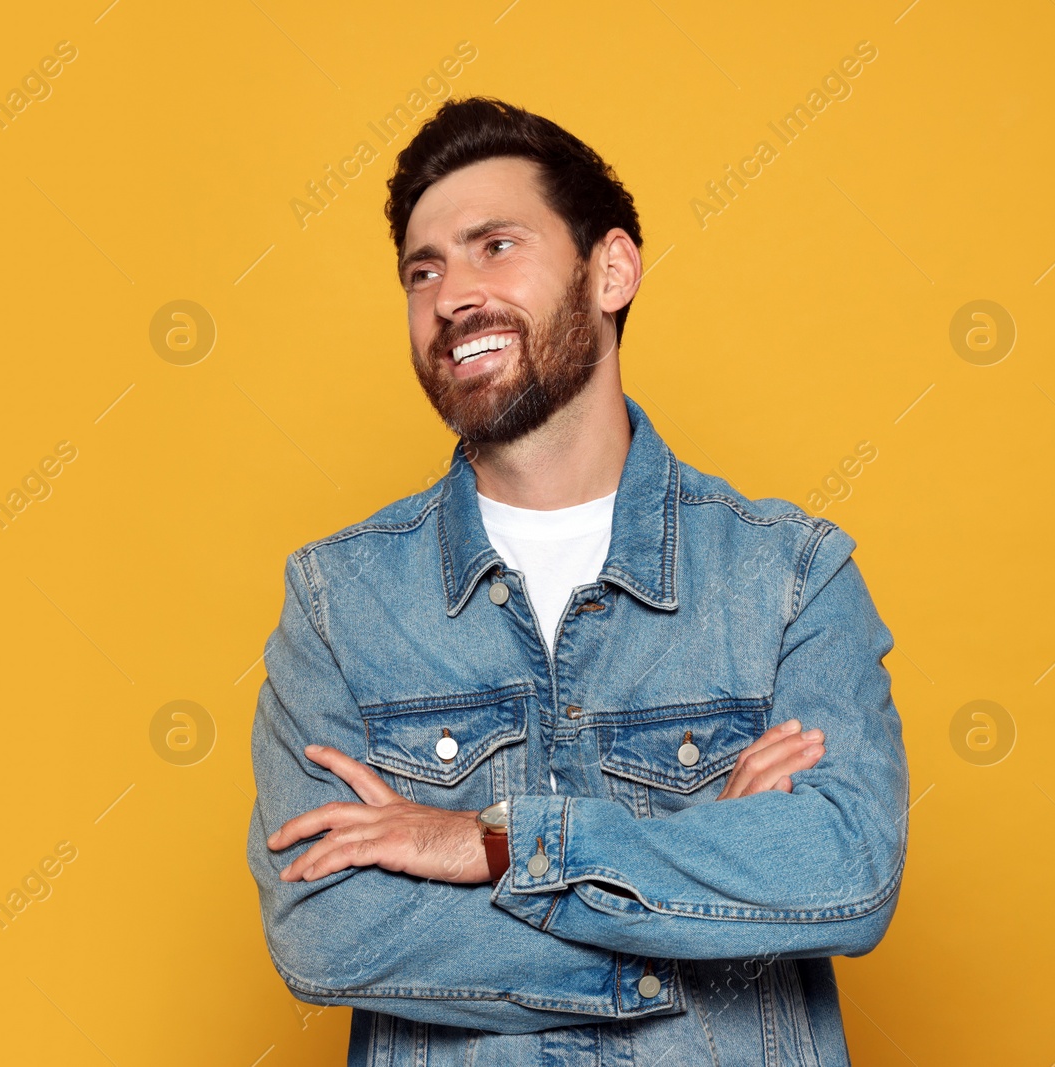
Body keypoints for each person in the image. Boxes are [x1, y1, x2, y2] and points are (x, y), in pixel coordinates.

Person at [246, 95, 908, 1066]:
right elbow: (327, 930)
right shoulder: (338, 602)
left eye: (494, 246)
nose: (451, 294)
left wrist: (498, 844)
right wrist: (692, 886)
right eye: (421, 270)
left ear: (611, 269)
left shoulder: (788, 575)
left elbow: (843, 869)